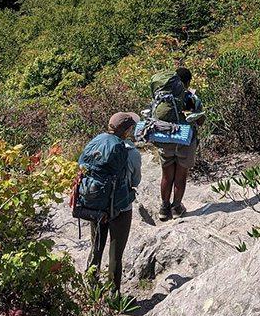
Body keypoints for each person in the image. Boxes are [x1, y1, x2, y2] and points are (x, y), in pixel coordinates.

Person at [79, 111, 142, 296]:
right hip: (120, 208)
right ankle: (113, 296)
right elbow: (135, 181)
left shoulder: (96, 142)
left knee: (96, 246)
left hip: (96, 204)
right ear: (128, 130)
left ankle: (91, 288)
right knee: (116, 254)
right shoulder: (131, 152)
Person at [150, 68, 201, 221]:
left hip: (165, 139)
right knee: (181, 175)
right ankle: (177, 207)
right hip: (184, 140)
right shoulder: (188, 97)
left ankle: (164, 209)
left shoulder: (162, 97)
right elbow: (197, 120)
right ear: (187, 82)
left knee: (166, 175)